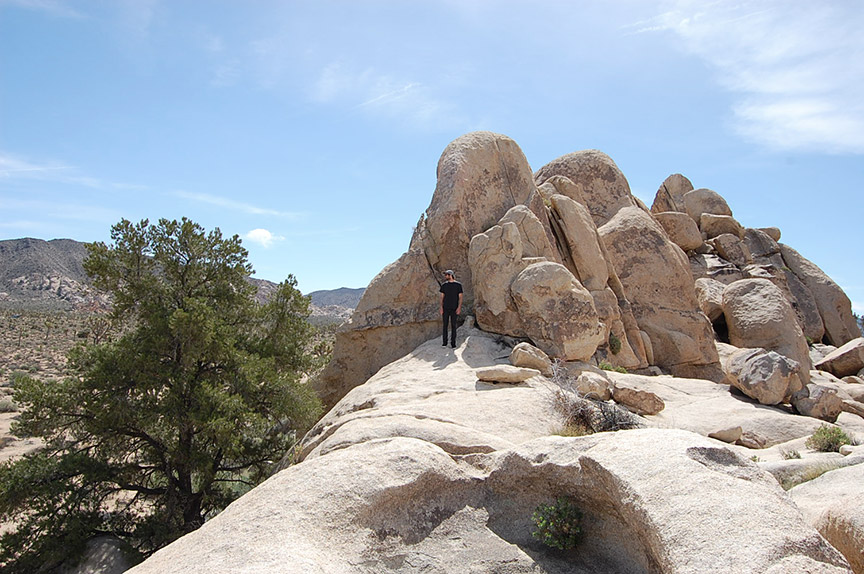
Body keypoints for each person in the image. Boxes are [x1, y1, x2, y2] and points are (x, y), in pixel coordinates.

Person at [439, 269, 463, 348]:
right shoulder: (444, 285)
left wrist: (459, 308)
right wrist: (441, 308)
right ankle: (444, 343)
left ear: (451, 275)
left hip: (454, 308)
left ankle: (453, 344)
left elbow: (460, 298)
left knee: (453, 326)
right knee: (445, 326)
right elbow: (442, 298)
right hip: (445, 308)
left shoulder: (458, 285)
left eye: (446, 275)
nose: (445, 276)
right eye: (445, 274)